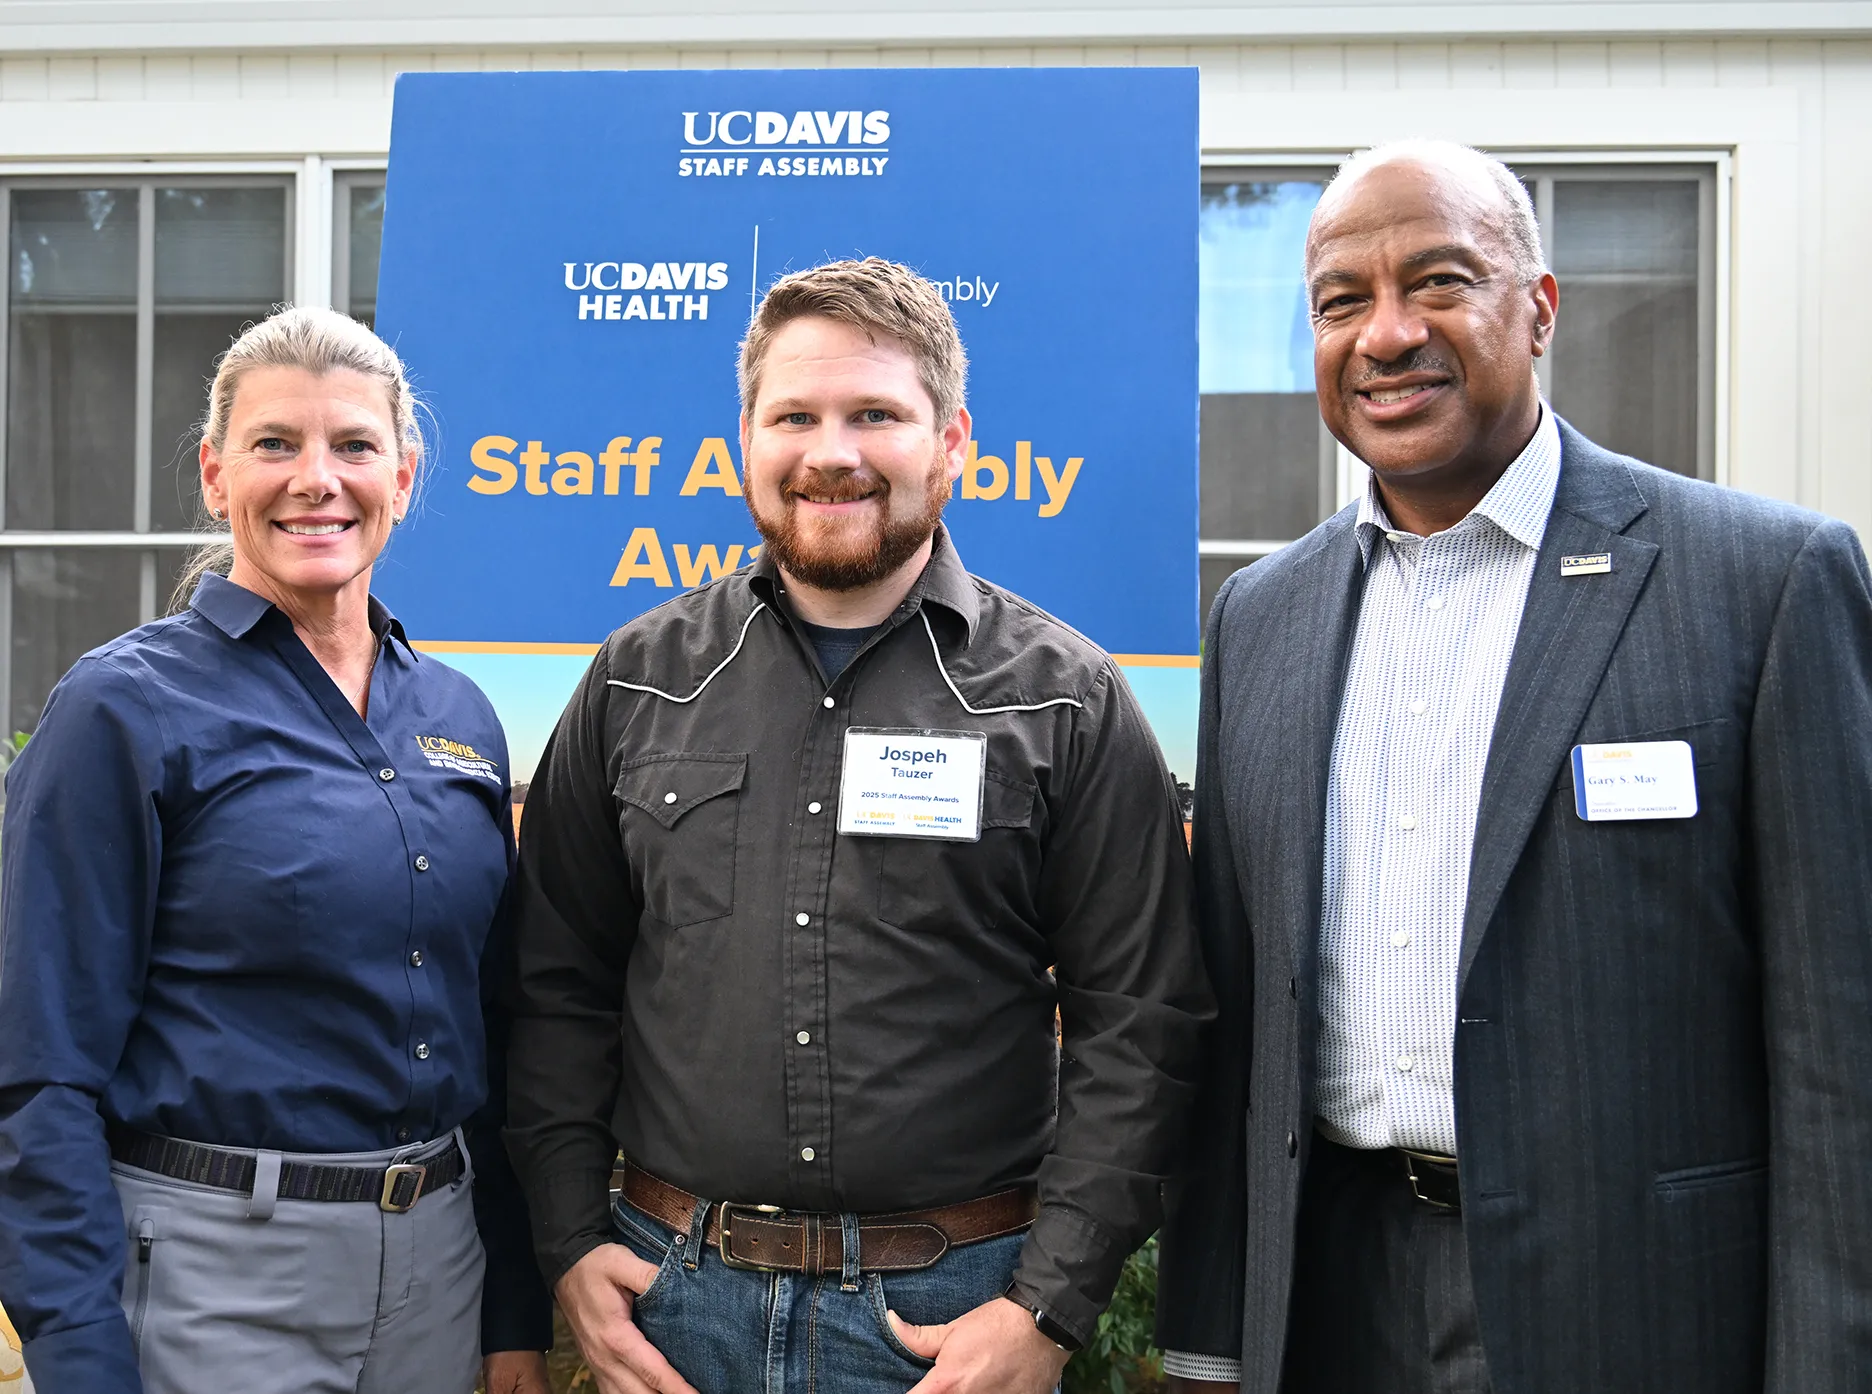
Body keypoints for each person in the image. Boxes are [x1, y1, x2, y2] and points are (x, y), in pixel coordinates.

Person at [1157, 140, 1872, 1393]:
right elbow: (1237, 1014)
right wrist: (1214, 1340)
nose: (1386, 335)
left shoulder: (1762, 584)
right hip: (1332, 1296)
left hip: (1640, 1308)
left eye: (1439, 281)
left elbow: (1841, 1054)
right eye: (1341, 301)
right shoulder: (1258, 617)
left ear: (1537, 309)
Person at [505, 257, 1211, 1394]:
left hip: (950, 1323)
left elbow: (1144, 1022)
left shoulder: (1063, 701)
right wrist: (570, 1246)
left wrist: (1047, 1306)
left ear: (953, 440)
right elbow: (554, 985)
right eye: (796, 415)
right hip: (672, 1305)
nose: (832, 451)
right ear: (746, 437)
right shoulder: (638, 683)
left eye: (876, 412)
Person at [0, 307, 553, 1393]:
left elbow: (490, 1038)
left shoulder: (458, 715)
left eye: (353, 445)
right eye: (274, 444)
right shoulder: (124, 707)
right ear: (215, 475)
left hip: (436, 1271)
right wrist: (77, 1348)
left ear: (404, 474)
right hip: (212, 1278)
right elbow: (36, 1069)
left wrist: (509, 1308)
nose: (317, 478)